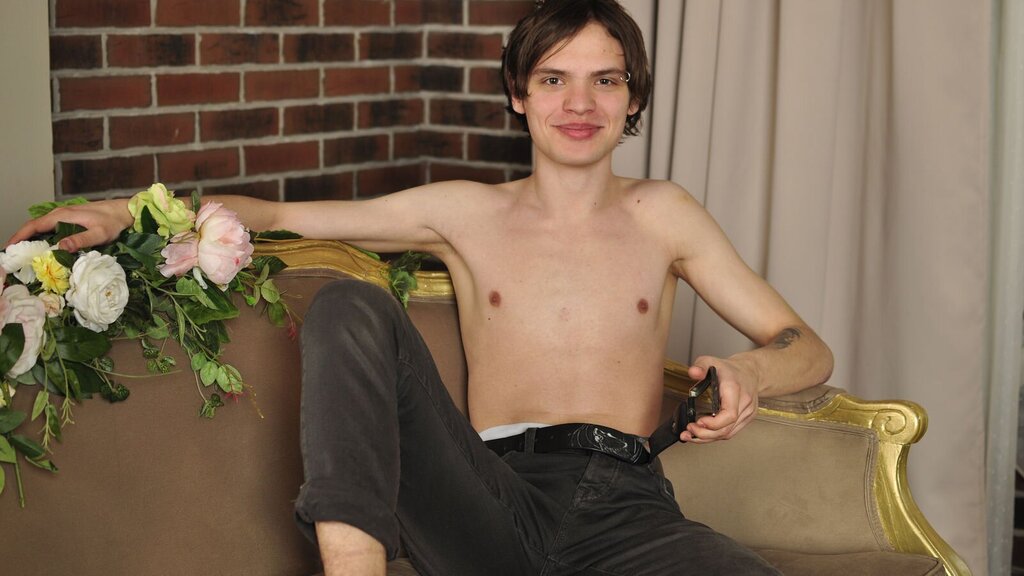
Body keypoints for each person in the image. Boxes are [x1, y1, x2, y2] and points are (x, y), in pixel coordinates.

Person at [8, 1, 832, 573]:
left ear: (634, 96)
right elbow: (280, 214)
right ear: (518, 95)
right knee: (348, 302)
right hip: (489, 498)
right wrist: (125, 212)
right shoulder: (464, 213)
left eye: (605, 80)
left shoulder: (666, 215)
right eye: (553, 79)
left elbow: (807, 348)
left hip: (629, 511)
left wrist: (751, 371)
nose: (579, 103)